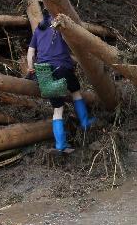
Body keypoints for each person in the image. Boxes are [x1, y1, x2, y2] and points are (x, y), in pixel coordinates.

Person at [26, 10, 94, 153]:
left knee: (57, 109)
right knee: (75, 92)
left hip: (43, 73)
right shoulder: (61, 25)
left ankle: (60, 145)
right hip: (61, 69)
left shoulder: (39, 28)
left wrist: (31, 69)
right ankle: (85, 122)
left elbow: (31, 51)